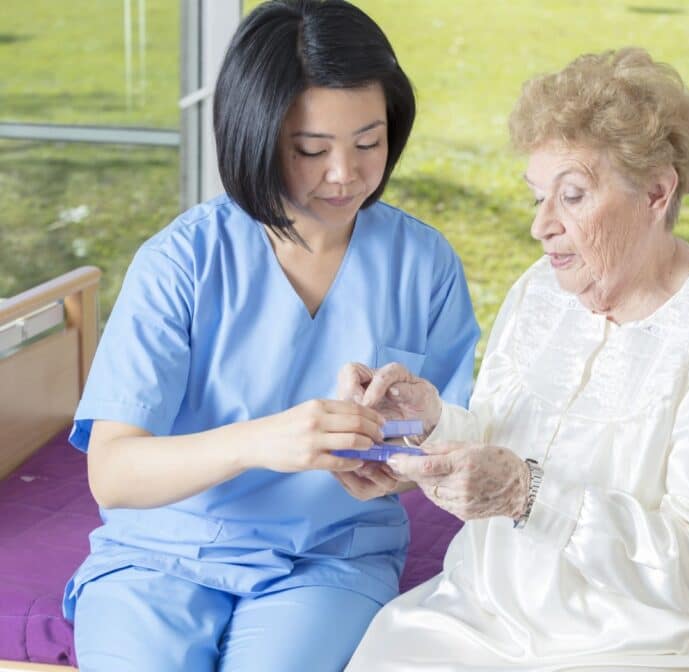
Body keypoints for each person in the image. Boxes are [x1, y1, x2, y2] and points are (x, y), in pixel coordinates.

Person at [342, 48, 689, 671]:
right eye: (538, 196)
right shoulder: (541, 291)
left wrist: (528, 494)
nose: (542, 226)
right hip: (498, 615)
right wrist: (432, 424)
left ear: (656, 192)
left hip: (666, 639)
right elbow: (501, 440)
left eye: (571, 196)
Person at [63, 2, 479, 670]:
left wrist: (403, 456)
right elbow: (112, 473)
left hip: (329, 561)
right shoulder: (183, 262)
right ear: (255, 136)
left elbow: (460, 435)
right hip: (161, 557)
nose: (344, 174)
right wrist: (264, 441)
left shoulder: (422, 265)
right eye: (311, 150)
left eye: (368, 143)